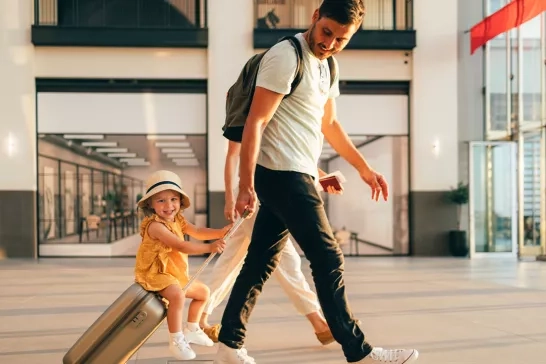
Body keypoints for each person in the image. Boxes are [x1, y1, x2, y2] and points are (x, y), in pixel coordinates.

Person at [213, 1, 420, 363]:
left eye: (341, 39)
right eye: (327, 32)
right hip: (280, 174)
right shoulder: (285, 56)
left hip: (297, 173)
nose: (330, 43)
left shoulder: (328, 66)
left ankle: (229, 344)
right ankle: (360, 351)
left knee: (259, 262)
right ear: (314, 18)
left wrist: (363, 168)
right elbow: (256, 123)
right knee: (328, 257)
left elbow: (329, 126)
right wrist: (246, 185)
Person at [199, 140, 343, 346]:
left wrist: (323, 177)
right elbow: (232, 156)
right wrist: (230, 198)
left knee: (230, 261)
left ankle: (197, 318)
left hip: (269, 193)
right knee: (286, 259)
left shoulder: (276, 117)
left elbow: (289, 155)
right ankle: (319, 324)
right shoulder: (248, 112)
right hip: (252, 195)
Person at [135, 170, 232, 360]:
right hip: (156, 273)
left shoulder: (178, 219)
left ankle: (193, 329)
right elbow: (180, 245)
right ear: (151, 204)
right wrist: (210, 247)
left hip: (173, 272)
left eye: (173, 199)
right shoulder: (156, 226)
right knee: (177, 296)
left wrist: (219, 233)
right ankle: (176, 339)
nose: (169, 205)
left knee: (203, 293)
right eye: (161, 200)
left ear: (180, 201)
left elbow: (197, 231)